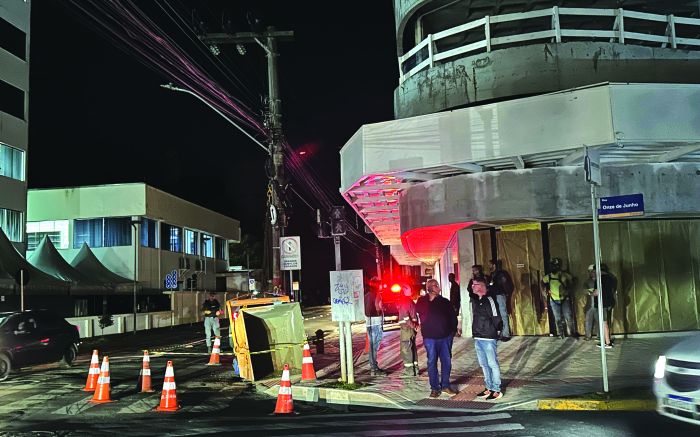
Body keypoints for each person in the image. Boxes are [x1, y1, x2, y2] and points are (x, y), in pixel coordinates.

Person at [416, 279, 459, 398]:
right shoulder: (422, 301)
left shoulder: (445, 301)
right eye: (435, 286)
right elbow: (418, 312)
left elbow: (452, 317)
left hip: (445, 337)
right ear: (429, 288)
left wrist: (453, 331)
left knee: (446, 362)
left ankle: (445, 385)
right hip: (430, 338)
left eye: (438, 285)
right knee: (431, 362)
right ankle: (434, 388)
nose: (438, 287)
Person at [471, 277, 504, 400]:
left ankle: (496, 390)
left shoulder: (489, 299)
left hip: (488, 338)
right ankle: (488, 387)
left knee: (492, 364)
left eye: (475, 284)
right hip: (478, 337)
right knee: (484, 364)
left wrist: (495, 331)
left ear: (482, 286)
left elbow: (496, 317)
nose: (472, 286)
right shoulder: (477, 300)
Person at [584, 264, 617, 348]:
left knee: (604, 323)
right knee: (605, 322)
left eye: (594, 271)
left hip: (602, 304)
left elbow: (596, 293)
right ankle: (606, 340)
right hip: (610, 302)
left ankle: (608, 343)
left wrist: (590, 293)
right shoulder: (611, 278)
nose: (593, 273)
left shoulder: (599, 280)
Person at [541, 258, 575, 338]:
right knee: (558, 318)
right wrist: (545, 291)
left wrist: (568, 290)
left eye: (554, 266)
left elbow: (573, 281)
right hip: (554, 299)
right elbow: (542, 282)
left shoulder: (564, 275)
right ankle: (561, 333)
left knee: (568, 316)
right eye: (552, 266)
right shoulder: (548, 276)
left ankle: (572, 332)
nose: (553, 268)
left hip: (564, 299)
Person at [365, 277, 386, 376]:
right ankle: (374, 369)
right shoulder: (377, 295)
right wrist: (381, 310)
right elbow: (378, 307)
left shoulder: (366, 295)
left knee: (371, 346)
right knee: (374, 347)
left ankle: (373, 368)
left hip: (368, 323)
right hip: (376, 323)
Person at [488, 259, 514, 341]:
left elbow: (505, 284)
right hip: (494, 296)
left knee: (503, 314)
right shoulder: (493, 274)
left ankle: (506, 334)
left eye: (490, 265)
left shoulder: (501, 274)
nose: (489, 266)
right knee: (497, 315)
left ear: (494, 265)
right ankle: (501, 332)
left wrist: (506, 293)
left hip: (500, 295)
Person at [397, 284, 419, 377]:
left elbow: (406, 317)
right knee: (412, 348)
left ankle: (409, 371)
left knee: (405, 349)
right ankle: (415, 369)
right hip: (410, 328)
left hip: (406, 329)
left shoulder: (404, 301)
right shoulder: (410, 301)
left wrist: (412, 326)